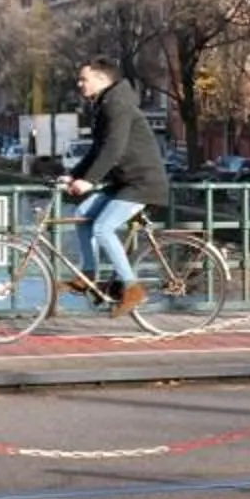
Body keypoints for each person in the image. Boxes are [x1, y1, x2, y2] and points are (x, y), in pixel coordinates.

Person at [64, 57, 170, 315]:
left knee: (102, 228)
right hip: (124, 181)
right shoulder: (103, 104)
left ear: (101, 80)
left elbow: (114, 148)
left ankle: (133, 288)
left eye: (83, 79)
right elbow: (97, 149)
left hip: (142, 181)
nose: (79, 84)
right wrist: (72, 175)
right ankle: (88, 274)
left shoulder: (118, 105)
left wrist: (89, 181)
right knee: (82, 215)